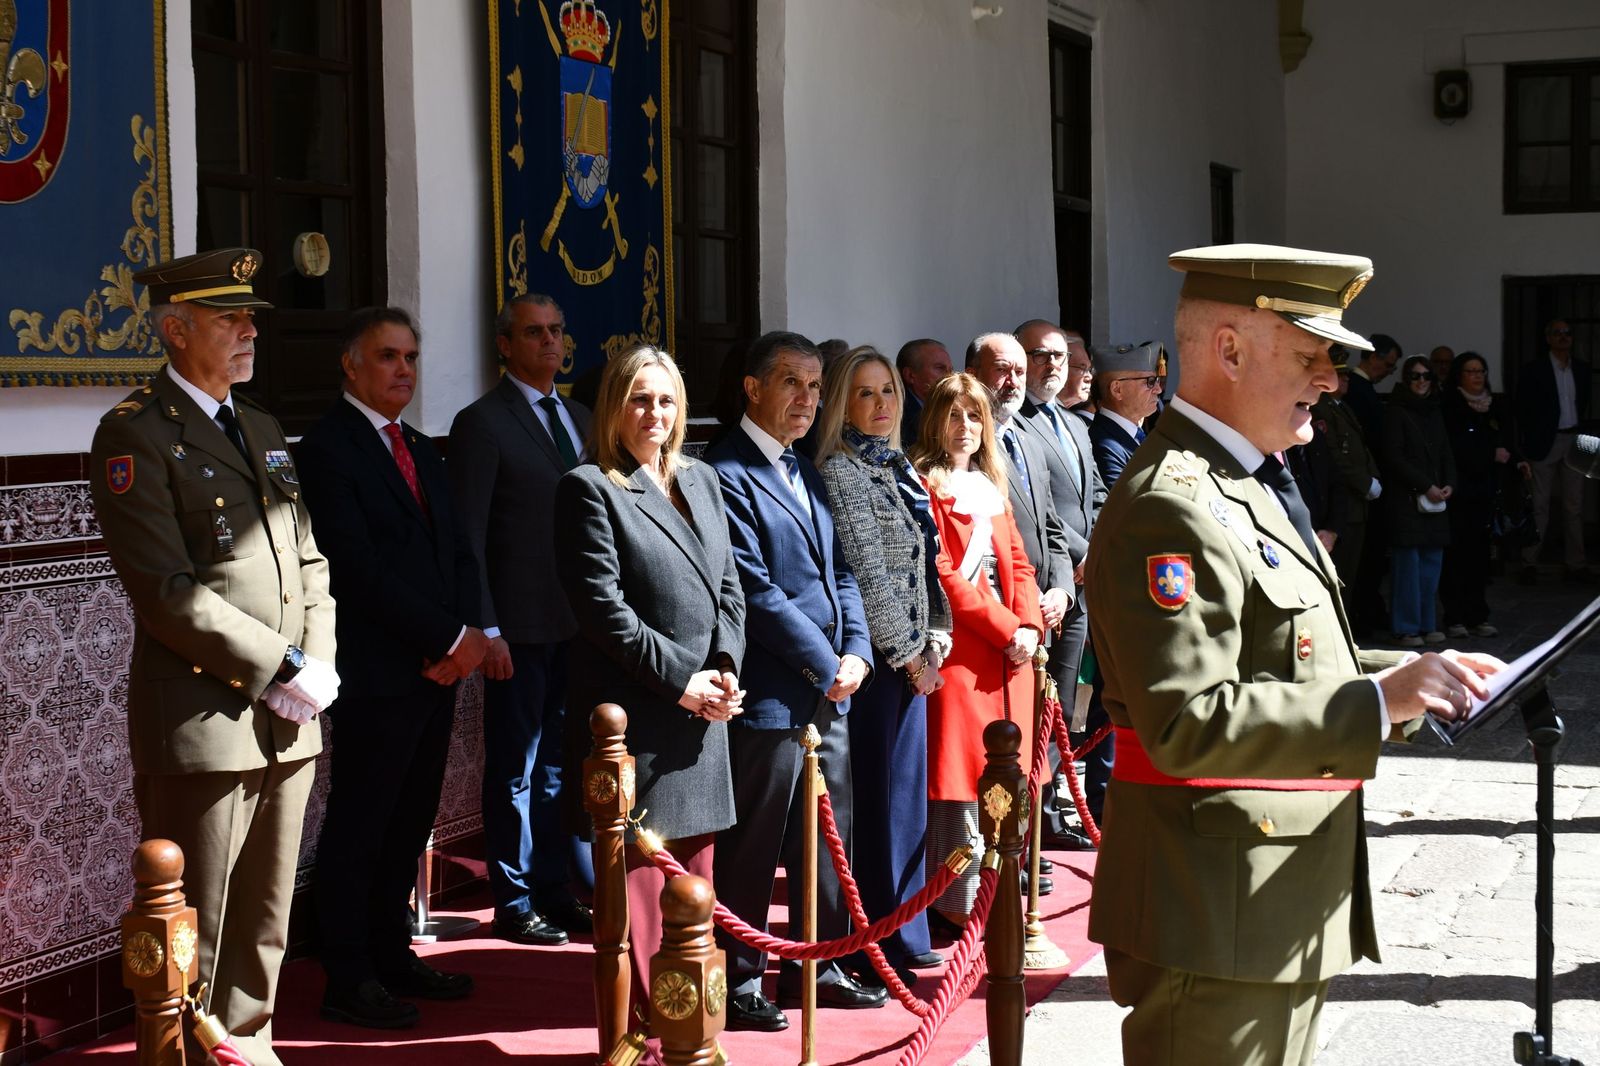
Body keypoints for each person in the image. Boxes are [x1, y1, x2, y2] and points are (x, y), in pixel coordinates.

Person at [1087, 243, 1503, 1066]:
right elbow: (1189, 720)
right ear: (1230, 349)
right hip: (1212, 906)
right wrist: (1381, 703)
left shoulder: (1247, 481)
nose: (1332, 378)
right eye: (1311, 355)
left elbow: (1296, 651)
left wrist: (1413, 679)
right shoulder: (1174, 503)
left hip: (1265, 897)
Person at [89, 248, 339, 1066]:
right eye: (228, 318)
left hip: (289, 720)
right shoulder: (135, 432)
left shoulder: (260, 425)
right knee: (194, 924)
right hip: (206, 722)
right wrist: (284, 667)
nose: (247, 331)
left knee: (266, 923)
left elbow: (309, 561)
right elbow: (167, 592)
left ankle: (250, 1049)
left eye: (249, 318)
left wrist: (320, 667)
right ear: (174, 328)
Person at [296, 307, 486, 1027]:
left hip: (436, 669)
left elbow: (457, 550)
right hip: (379, 673)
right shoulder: (328, 449)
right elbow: (356, 570)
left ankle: (392, 952)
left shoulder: (417, 445)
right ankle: (348, 974)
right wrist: (445, 638)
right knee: (363, 822)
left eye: (410, 356)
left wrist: (465, 635)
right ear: (351, 364)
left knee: (411, 822)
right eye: (387, 356)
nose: (403, 369)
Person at [551, 345, 748, 1005]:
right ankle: (649, 1038)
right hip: (641, 721)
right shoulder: (589, 487)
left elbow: (730, 588)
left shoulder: (702, 479)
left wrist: (723, 669)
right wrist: (684, 683)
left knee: (696, 893)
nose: (654, 413)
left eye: (666, 400)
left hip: (702, 720)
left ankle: (693, 1029)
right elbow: (604, 614)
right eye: (640, 398)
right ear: (613, 405)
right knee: (643, 898)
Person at [705, 331, 885, 1032]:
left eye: (815, 386)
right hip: (774, 691)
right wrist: (824, 661)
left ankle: (820, 964)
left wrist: (859, 653)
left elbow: (840, 572)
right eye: (791, 383)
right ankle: (744, 974)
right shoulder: (726, 472)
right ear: (752, 388)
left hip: (829, 685)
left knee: (826, 833)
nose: (807, 400)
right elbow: (755, 591)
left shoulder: (806, 469)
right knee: (755, 842)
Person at [449, 294, 594, 947]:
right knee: (516, 765)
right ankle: (513, 897)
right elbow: (469, 537)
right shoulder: (482, 423)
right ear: (504, 345)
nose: (549, 343)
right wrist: (488, 628)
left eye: (556, 332)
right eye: (534, 333)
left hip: (577, 626)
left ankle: (554, 886)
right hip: (518, 628)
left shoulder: (582, 417)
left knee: (563, 765)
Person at [815, 346, 954, 975]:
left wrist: (939, 636)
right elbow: (868, 573)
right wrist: (907, 655)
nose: (880, 406)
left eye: (888, 393)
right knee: (883, 803)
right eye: (865, 394)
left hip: (916, 655)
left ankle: (907, 924)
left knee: (906, 801)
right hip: (881, 665)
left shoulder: (895, 465)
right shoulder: (841, 471)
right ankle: (886, 934)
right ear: (843, 402)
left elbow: (924, 564)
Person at [910, 373, 1043, 930]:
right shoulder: (923, 485)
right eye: (953, 415)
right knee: (960, 785)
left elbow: (1018, 565)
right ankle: (955, 905)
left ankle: (999, 895)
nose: (964, 428)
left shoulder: (992, 486)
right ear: (935, 420)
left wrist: (1031, 627)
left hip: (1010, 659)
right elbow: (940, 574)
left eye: (974, 417)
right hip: (965, 657)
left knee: (1008, 782)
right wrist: (1005, 628)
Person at [1014, 318, 1105, 848]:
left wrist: (1101, 548)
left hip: (1080, 584)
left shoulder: (1074, 425)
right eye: (1040, 356)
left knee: (1064, 704)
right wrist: (1083, 552)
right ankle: (1034, 820)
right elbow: (1037, 510)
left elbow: (1093, 498)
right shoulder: (1013, 424)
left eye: (1059, 357)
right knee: (1035, 707)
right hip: (1048, 578)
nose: (1052, 366)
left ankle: (1051, 811)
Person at [1441, 351, 1525, 637]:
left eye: (1481, 371)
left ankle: (1478, 615)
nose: (1477, 376)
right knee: (1457, 556)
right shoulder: (1451, 403)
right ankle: (1455, 617)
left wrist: (1516, 459)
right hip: (1460, 490)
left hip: (1487, 491)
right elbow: (1455, 446)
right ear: (1459, 375)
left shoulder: (1494, 405)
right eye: (1471, 371)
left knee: (1480, 557)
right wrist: (1490, 454)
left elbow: (1506, 441)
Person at [1381, 356, 1457, 647]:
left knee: (1430, 566)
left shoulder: (1435, 411)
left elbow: (1447, 453)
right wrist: (1426, 486)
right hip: (1407, 500)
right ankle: (1406, 627)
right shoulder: (1396, 412)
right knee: (1407, 567)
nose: (1422, 381)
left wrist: (1450, 484)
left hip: (1436, 499)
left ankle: (1428, 623)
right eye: (1415, 376)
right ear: (1405, 379)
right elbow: (1393, 456)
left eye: (1427, 376)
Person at [1515, 318, 1594, 581]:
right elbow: (1523, 409)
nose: (1563, 337)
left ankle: (1577, 564)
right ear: (1547, 338)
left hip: (1574, 438)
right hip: (1544, 441)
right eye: (1557, 333)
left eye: (1567, 333)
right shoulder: (1534, 370)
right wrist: (1525, 443)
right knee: (1539, 504)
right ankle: (1530, 562)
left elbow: (1584, 406)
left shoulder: (1581, 370)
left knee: (1574, 505)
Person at [1345, 332, 1402, 638]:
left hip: (1375, 480)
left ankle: (1369, 610)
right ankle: (1362, 614)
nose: (1389, 372)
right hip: (1366, 484)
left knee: (1373, 555)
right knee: (1366, 556)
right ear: (1373, 357)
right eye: (1388, 365)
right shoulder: (1357, 390)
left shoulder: (1364, 390)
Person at [1311, 346, 1383, 585]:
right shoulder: (1321, 408)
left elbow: (1360, 448)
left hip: (1356, 505)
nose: (1345, 379)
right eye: (1339, 374)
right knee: (1339, 575)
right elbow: (1334, 457)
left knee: (1352, 572)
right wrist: (1364, 483)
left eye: (1345, 375)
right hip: (1343, 503)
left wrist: (1373, 476)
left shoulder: (1342, 408)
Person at [1089, 342, 1162, 487]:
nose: (1158, 389)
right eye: (1150, 382)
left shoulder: (1134, 435)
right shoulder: (1104, 444)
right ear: (1117, 389)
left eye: (1157, 381)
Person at [896, 338, 954, 448]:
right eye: (940, 368)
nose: (950, 376)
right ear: (910, 375)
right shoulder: (899, 418)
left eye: (950, 370)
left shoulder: (952, 407)